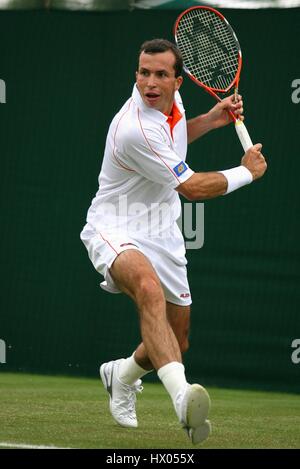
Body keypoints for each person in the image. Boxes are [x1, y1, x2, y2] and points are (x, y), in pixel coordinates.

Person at [80, 38, 267, 445]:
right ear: (136, 75)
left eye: (161, 74)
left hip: (162, 229)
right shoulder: (136, 128)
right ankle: (183, 398)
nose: (150, 81)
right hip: (115, 225)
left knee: (176, 339)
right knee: (147, 289)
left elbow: (175, 139)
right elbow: (192, 187)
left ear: (177, 82)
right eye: (144, 72)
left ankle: (122, 375)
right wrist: (246, 173)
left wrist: (213, 119)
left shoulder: (173, 106)